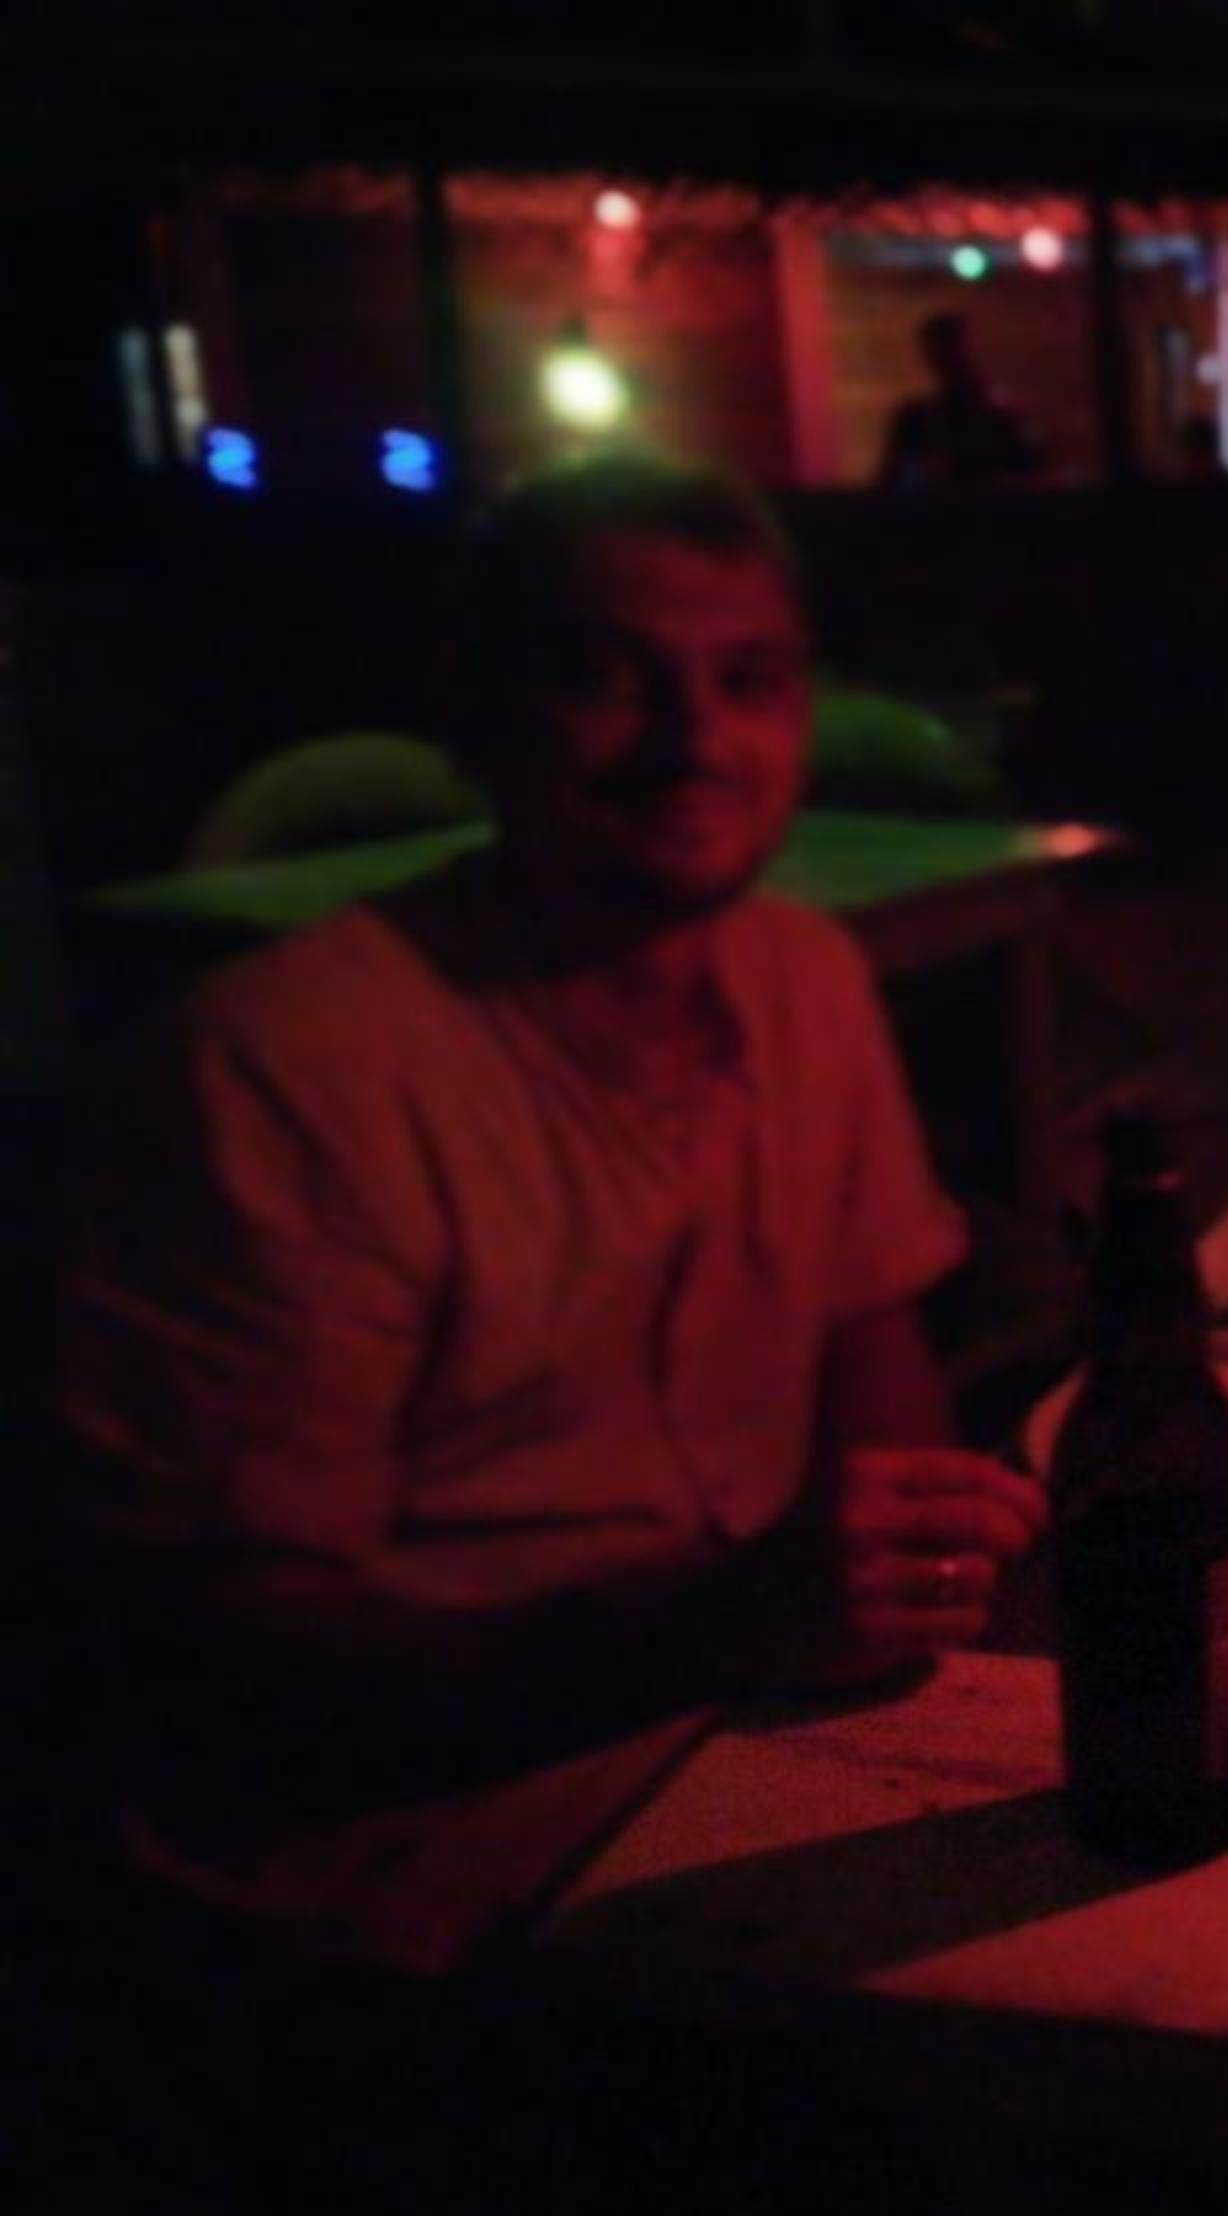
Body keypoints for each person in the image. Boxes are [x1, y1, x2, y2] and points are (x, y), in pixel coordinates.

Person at [55, 452, 1044, 1970]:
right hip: (405, 1866)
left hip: (742, 1738)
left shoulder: (805, 975)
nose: (693, 742)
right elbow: (223, 1678)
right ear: (470, 711)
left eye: (749, 681)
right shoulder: (284, 1071)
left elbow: (872, 1332)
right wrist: (727, 1622)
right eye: (602, 676)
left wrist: (900, 1590)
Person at [878, 311, 1044, 489]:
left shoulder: (1004, 415)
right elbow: (896, 478)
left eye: (954, 351)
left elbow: (1034, 466)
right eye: (941, 352)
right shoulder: (916, 419)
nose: (950, 360)